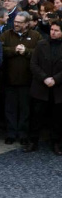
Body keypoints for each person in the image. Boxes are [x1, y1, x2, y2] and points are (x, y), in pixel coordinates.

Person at [0, 12, 43, 145]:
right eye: (15, 21)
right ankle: (11, 133)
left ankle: (23, 134)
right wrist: (14, 50)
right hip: (9, 79)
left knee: (25, 109)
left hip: (27, 80)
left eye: (19, 22)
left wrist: (27, 52)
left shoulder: (36, 36)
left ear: (27, 24)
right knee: (10, 109)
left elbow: (40, 53)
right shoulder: (7, 34)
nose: (16, 24)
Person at [26, 20, 62, 154]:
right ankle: (33, 141)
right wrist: (45, 78)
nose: (53, 32)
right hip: (41, 86)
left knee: (57, 118)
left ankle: (56, 143)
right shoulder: (41, 44)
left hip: (58, 88)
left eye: (56, 30)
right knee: (36, 116)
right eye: (52, 29)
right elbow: (34, 64)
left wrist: (55, 79)